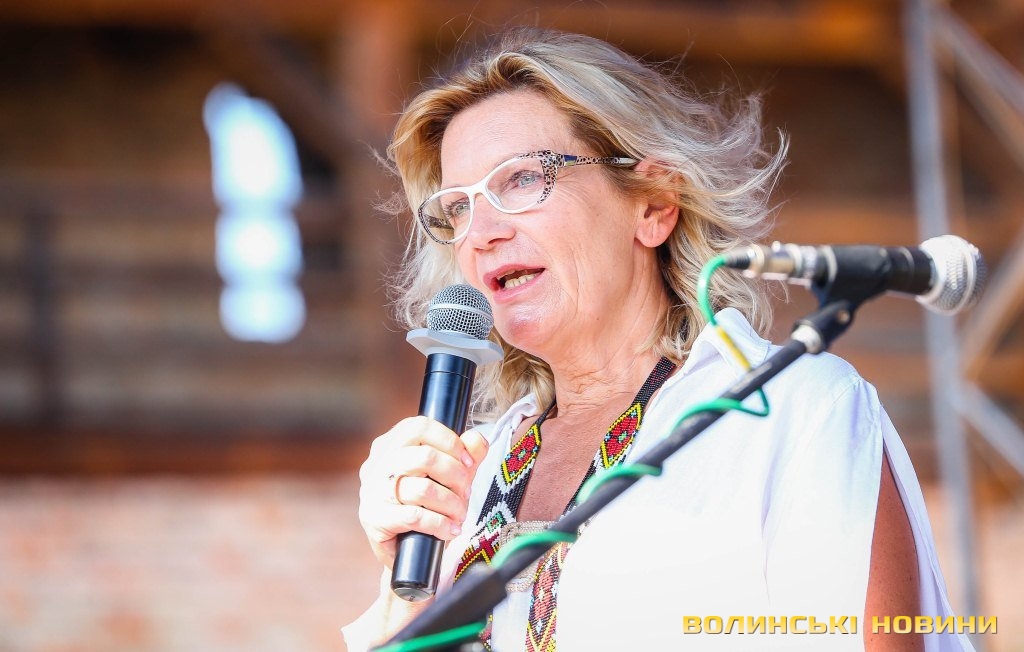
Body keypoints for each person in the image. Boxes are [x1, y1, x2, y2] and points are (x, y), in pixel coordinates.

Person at [344, 27, 972, 651]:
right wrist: (403, 595)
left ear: (654, 206)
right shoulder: (470, 470)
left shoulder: (791, 410)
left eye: (522, 179)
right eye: (457, 207)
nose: (480, 232)